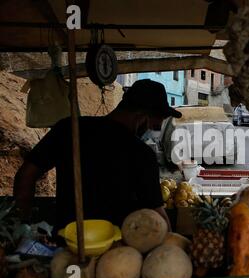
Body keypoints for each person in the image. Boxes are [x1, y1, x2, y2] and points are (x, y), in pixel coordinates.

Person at [13, 79, 182, 233]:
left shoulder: (68, 129)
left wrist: (23, 223)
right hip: (117, 255)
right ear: (142, 117)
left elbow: (26, 175)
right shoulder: (141, 154)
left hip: (68, 244)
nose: (151, 132)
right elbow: (158, 218)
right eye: (154, 126)